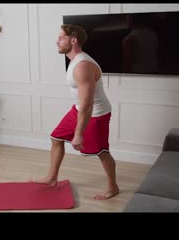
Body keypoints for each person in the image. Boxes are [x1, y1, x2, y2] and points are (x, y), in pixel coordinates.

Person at [31, 24, 119, 200]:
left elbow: (87, 105)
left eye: (61, 38)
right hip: (80, 110)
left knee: (101, 151)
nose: (57, 41)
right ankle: (51, 178)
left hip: (96, 114)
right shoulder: (74, 61)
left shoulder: (83, 66)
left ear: (73, 40)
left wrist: (78, 134)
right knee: (56, 138)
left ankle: (113, 186)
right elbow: (82, 104)